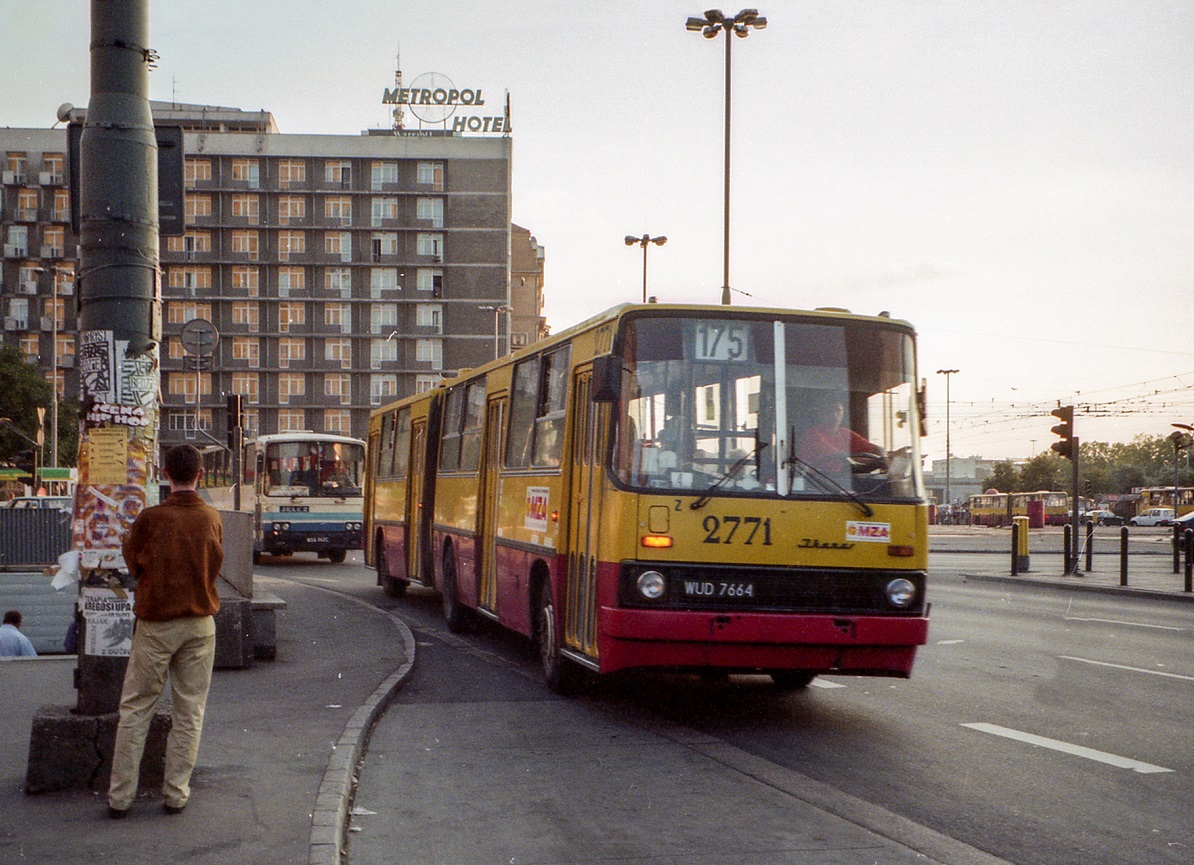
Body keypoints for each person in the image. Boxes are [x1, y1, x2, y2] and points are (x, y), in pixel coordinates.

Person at [108, 444, 224, 819]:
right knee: (189, 710)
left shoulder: (150, 519)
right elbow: (215, 564)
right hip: (200, 625)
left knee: (136, 709)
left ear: (165, 473)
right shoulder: (211, 517)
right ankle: (176, 793)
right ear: (200, 475)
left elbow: (133, 561)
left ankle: (120, 798)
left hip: (156, 625)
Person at [798, 393, 884, 475]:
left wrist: (884, 457)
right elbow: (840, 457)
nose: (835, 415)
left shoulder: (845, 433)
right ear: (821, 414)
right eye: (829, 411)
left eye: (838, 410)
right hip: (814, 481)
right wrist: (878, 462)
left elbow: (874, 449)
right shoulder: (813, 434)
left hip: (838, 480)